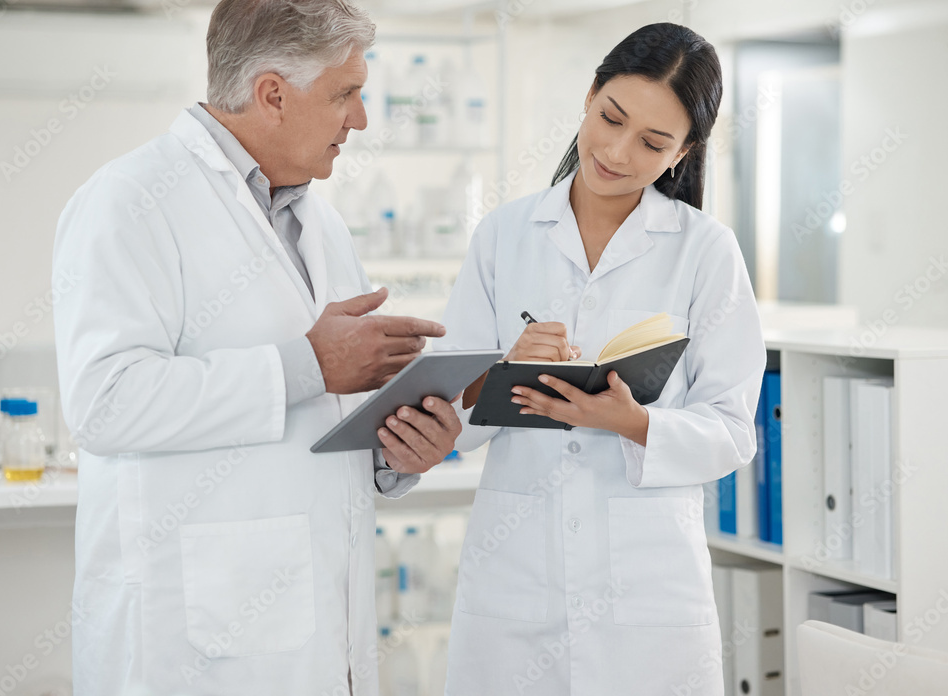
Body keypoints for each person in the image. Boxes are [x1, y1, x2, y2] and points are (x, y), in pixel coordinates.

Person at [52, 1, 461, 694]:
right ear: (273, 93)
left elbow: (323, 419)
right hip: (190, 640)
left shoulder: (318, 220)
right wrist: (308, 364)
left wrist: (395, 452)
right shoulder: (129, 201)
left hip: (317, 626)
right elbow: (104, 404)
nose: (359, 119)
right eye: (346, 94)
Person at [434, 23, 766, 696]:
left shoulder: (705, 251)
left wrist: (633, 423)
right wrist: (504, 370)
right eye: (610, 118)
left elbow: (733, 431)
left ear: (684, 153)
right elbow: (451, 416)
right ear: (589, 95)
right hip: (515, 579)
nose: (615, 151)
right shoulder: (504, 235)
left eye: (652, 142)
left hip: (647, 594)